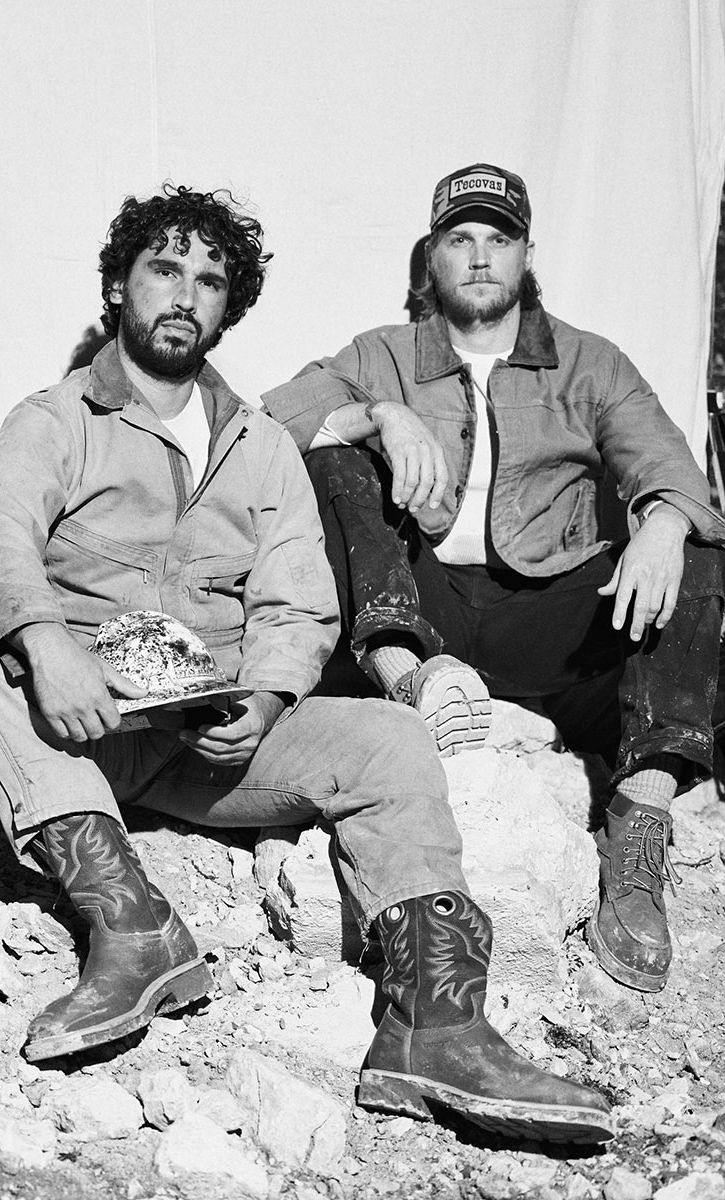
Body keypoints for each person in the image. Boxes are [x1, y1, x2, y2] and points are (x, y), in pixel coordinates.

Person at [0, 184, 613, 1142]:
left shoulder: (259, 444)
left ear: (230, 306)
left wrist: (262, 697)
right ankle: (134, 932)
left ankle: (438, 1025)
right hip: (79, 732)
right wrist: (46, 644)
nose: (184, 295)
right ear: (119, 286)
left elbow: (298, 597)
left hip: (212, 739)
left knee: (388, 741)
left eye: (209, 281)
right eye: (163, 271)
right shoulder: (60, 416)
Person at [263, 163, 725, 995]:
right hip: (424, 611)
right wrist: (379, 413)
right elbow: (275, 418)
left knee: (695, 545)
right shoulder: (383, 353)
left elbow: (668, 465)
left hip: (548, 622)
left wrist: (662, 522)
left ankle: (640, 817)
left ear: (526, 254)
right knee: (333, 455)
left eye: (498, 238)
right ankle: (413, 685)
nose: (480, 257)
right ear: (432, 256)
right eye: (460, 238)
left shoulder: (590, 362)